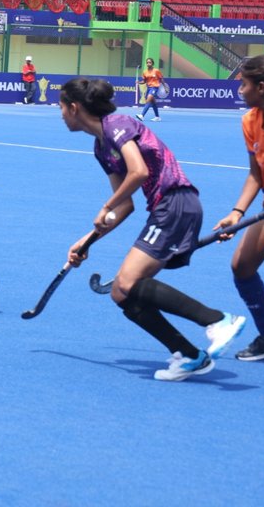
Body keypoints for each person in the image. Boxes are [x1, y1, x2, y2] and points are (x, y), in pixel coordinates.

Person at [58, 77, 246, 381]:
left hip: (175, 202)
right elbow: (125, 206)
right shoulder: (101, 147)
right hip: (163, 208)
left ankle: (219, 321)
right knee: (120, 292)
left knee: (129, 280)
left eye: (62, 107)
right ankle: (189, 355)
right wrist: (86, 241)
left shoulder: (116, 124)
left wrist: (105, 207)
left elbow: (139, 171)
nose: (61, 113)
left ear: (75, 107)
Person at [212, 55, 264, 361]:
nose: (239, 89)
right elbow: (256, 173)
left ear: (261, 87)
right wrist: (236, 213)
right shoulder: (250, 120)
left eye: (244, 83)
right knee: (242, 265)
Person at [136, 57, 164, 122]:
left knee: (148, 99)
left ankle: (142, 115)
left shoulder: (156, 71)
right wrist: (138, 82)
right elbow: (144, 81)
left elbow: (161, 79)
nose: (148, 63)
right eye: (147, 62)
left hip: (155, 87)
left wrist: (165, 87)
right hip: (148, 87)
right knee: (153, 102)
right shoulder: (145, 72)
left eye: (150, 62)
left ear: (152, 63)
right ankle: (157, 117)